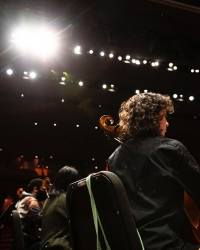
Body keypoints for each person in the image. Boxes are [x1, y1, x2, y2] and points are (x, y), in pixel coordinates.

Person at [108, 92, 200, 250]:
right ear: (154, 120)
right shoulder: (170, 149)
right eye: (164, 117)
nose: (167, 124)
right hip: (167, 245)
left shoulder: (114, 158)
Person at [40, 166, 80, 250]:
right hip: (60, 246)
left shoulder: (48, 199)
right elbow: (79, 224)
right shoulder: (66, 198)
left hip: (46, 245)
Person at [15, 178, 48, 250]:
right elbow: (43, 221)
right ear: (36, 189)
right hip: (30, 244)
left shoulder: (21, 200)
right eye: (44, 189)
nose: (46, 192)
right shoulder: (31, 200)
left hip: (22, 243)